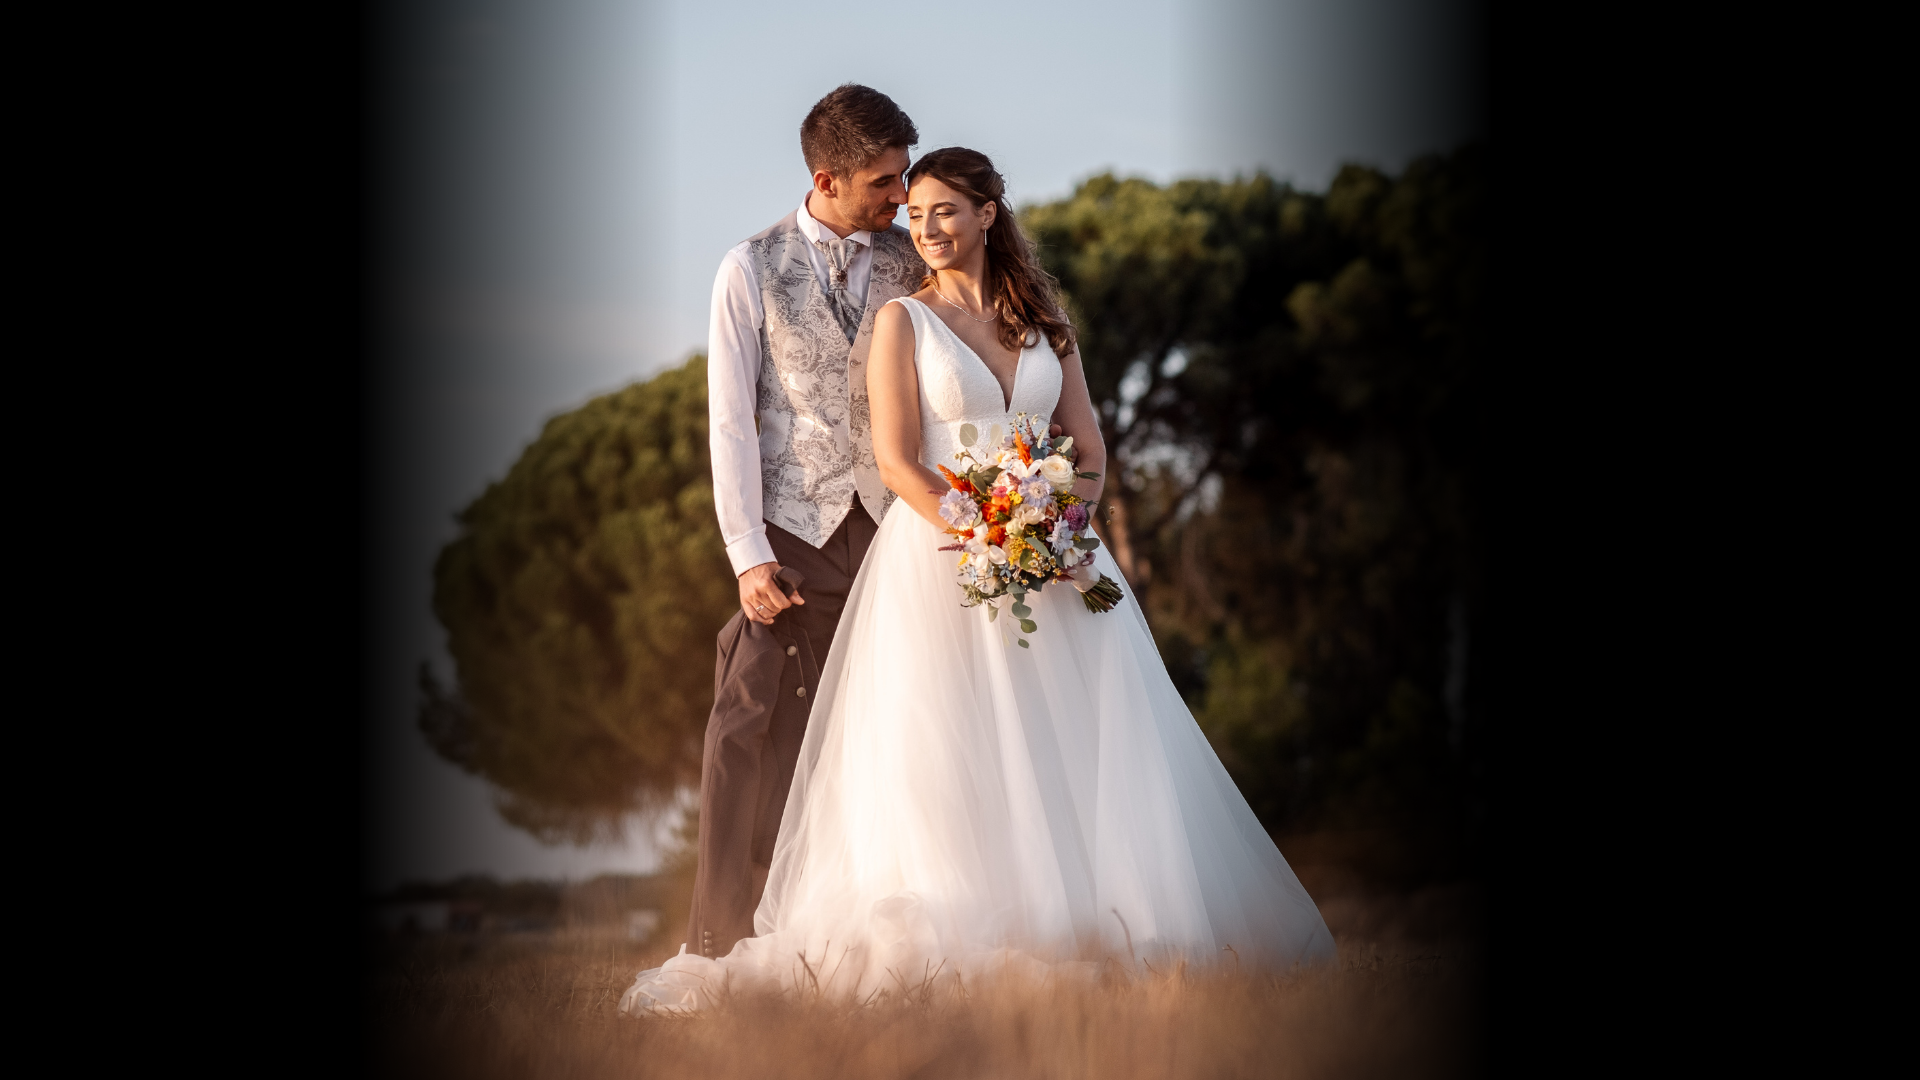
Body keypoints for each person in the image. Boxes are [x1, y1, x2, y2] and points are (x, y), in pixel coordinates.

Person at [625, 147, 1333, 1014]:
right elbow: (895, 461)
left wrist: (1055, 529)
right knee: (948, 748)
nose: (922, 228)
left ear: (989, 213)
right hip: (944, 563)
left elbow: (1090, 453)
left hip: (1061, 562)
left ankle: (1099, 915)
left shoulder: (1048, 324)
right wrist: (991, 530)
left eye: (943, 211)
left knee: (1077, 736)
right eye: (913, 213)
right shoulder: (901, 321)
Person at [681, 84, 928, 963]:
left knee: (896, 724)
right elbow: (730, 421)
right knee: (747, 723)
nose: (900, 196)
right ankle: (719, 940)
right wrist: (747, 554)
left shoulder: (912, 260)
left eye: (902, 178)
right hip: (791, 533)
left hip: (898, 535)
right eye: (883, 183)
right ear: (827, 178)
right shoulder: (747, 267)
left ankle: (874, 931)